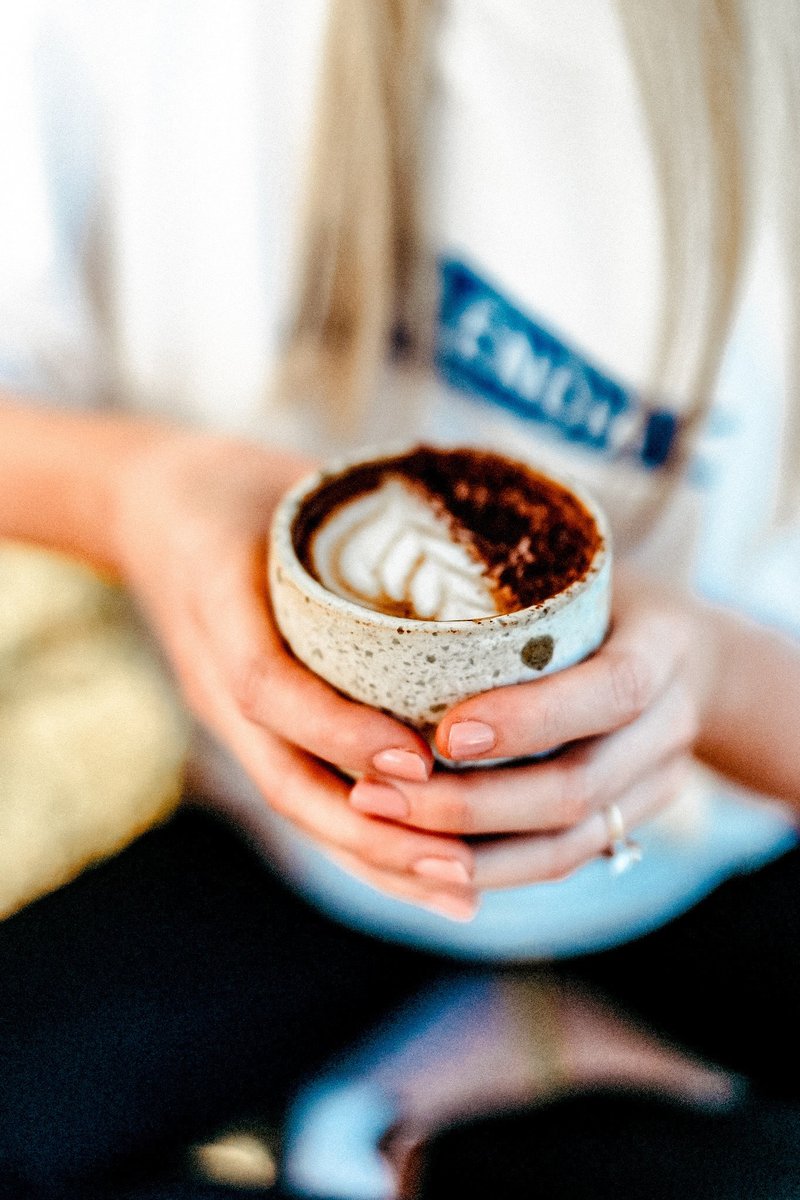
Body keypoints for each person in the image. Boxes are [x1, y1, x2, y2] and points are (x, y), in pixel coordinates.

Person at [2, 1, 800, 1196]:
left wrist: (716, 684)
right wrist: (137, 494)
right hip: (287, 839)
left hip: (716, 854)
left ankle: (433, 1126)